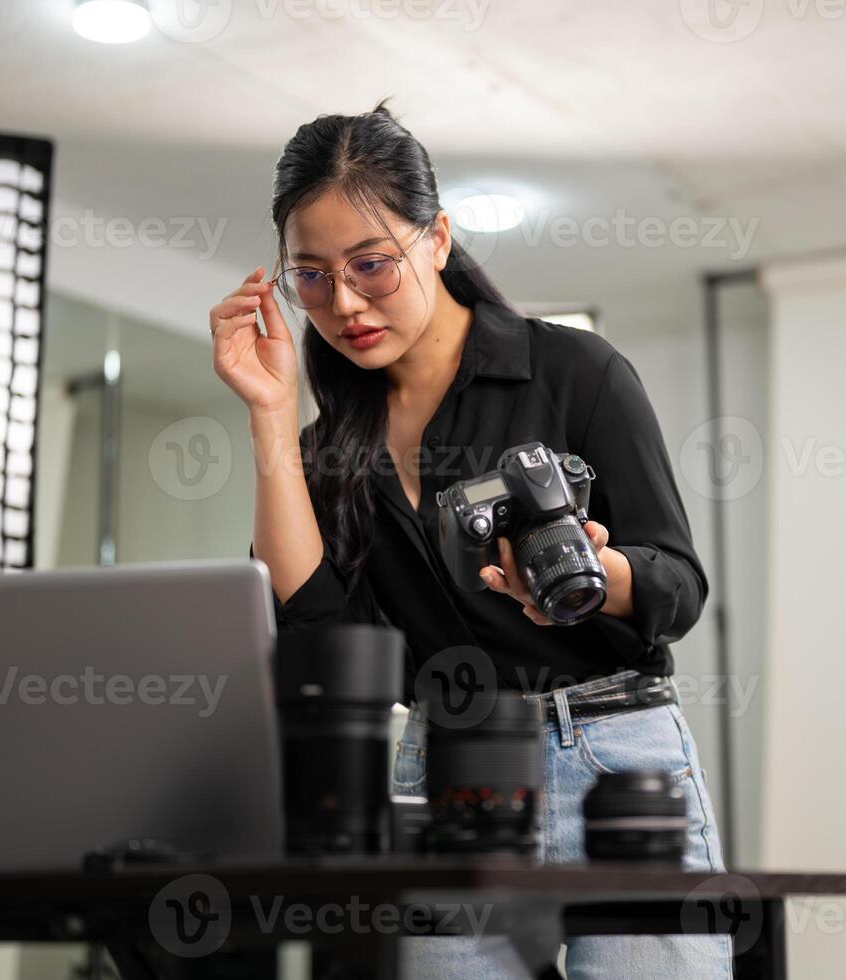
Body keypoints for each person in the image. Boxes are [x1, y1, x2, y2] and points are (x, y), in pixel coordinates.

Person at [211, 99, 732, 979]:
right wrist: (268, 413)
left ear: (438, 240)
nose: (341, 302)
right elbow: (321, 635)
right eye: (309, 275)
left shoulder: (573, 373)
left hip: (611, 754)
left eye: (371, 264)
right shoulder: (329, 446)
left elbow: (677, 586)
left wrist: (593, 576)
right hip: (444, 770)